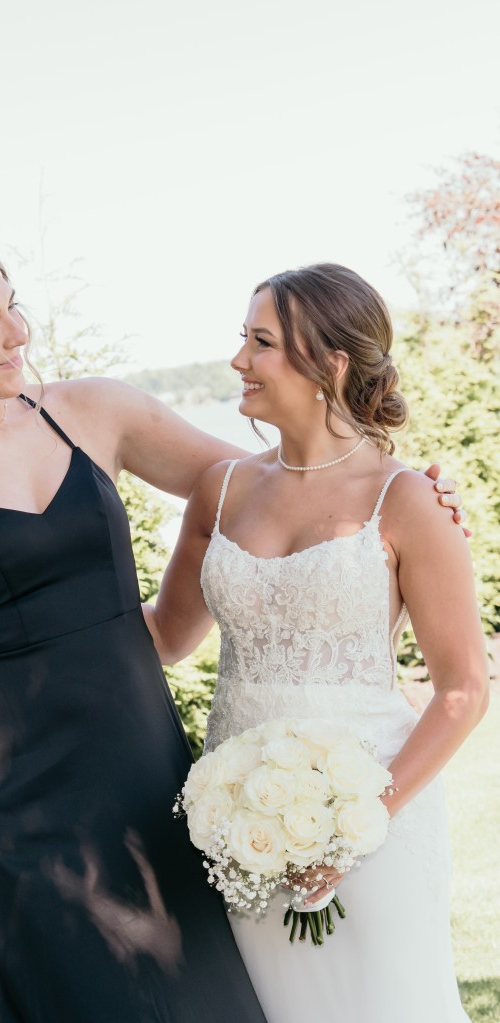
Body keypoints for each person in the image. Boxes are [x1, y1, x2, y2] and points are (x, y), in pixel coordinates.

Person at [0, 241, 461, 1023]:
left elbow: (279, 491)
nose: (19, 333)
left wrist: (409, 498)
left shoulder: (94, 411)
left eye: (12, 308)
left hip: (146, 777)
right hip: (8, 808)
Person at [144, 263, 489, 1023]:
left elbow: (464, 690)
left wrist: (362, 822)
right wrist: (38, 604)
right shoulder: (221, 490)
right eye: (243, 338)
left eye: (261, 342)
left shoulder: (407, 498)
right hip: (243, 826)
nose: (238, 359)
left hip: (376, 822)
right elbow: (165, 635)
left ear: (330, 363)